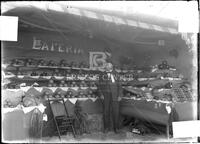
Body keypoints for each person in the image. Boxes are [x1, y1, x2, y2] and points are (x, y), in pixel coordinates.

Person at [98, 63, 122, 133]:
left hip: (115, 95)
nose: (106, 67)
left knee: (116, 111)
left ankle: (116, 128)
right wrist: (101, 94)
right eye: (106, 66)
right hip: (105, 95)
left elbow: (120, 85)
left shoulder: (116, 74)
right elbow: (99, 86)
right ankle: (106, 128)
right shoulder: (102, 75)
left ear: (111, 67)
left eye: (107, 66)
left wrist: (120, 95)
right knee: (106, 111)